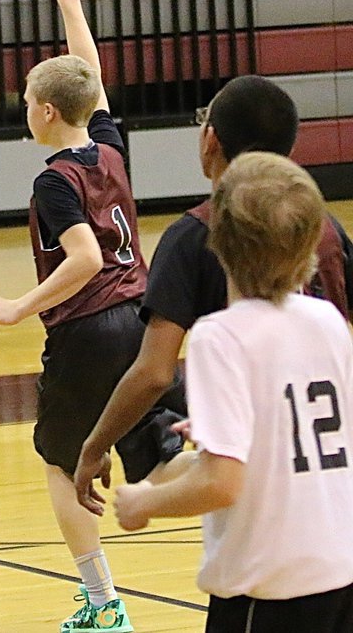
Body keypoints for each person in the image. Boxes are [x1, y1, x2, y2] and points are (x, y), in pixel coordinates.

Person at [0, 0, 183, 633]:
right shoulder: (110, 149)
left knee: (60, 464)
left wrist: (20, 306)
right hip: (143, 318)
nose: (25, 107)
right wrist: (68, 0)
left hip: (88, 328)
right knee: (159, 442)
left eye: (30, 100)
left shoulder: (52, 179)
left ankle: (102, 604)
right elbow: (88, 80)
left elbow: (86, 257)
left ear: (44, 114)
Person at [73, 75, 353, 514]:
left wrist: (94, 445)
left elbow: (153, 373)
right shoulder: (328, 229)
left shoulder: (194, 236)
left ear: (210, 140)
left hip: (253, 494)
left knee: (143, 417)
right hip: (329, 466)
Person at [115, 152, 353, 633]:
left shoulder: (219, 336)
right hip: (340, 567)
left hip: (268, 584)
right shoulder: (327, 321)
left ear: (218, 241)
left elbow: (221, 484)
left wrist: (143, 501)